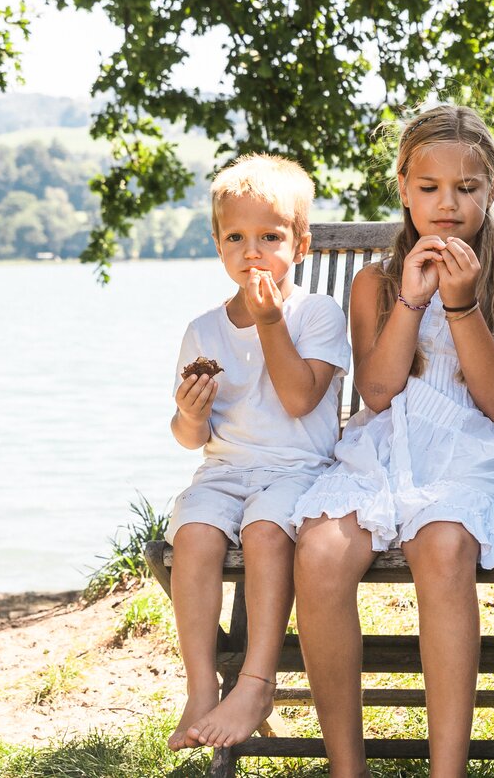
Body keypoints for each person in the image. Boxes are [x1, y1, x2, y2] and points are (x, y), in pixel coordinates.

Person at [290, 104, 494, 778]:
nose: (448, 205)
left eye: (467, 189)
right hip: (383, 447)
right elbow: (375, 392)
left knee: (443, 547)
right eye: (429, 188)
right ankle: (348, 767)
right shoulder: (374, 283)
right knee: (318, 552)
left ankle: (446, 771)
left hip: (468, 452)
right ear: (403, 188)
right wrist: (412, 298)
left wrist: (460, 305)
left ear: (491, 190)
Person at [164, 153, 350, 752]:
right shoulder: (203, 329)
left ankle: (256, 681)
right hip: (225, 470)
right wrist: (191, 414)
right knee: (193, 535)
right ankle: (200, 687)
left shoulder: (315, 314)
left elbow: (299, 400)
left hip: (299, 470)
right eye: (236, 238)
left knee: (269, 532)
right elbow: (189, 436)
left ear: (302, 244)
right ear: (217, 245)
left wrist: (271, 322)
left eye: (270, 236)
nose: (253, 252)